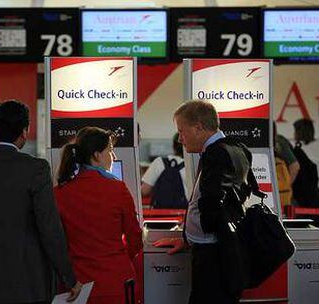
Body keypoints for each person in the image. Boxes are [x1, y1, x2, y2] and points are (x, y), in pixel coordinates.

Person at [0, 100, 81, 304]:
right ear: (25, 131)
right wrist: (69, 278)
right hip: (27, 286)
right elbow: (49, 228)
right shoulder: (36, 169)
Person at [154, 100, 253, 304]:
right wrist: (188, 238)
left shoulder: (216, 154)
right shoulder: (237, 147)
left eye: (182, 131)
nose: (180, 138)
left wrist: (200, 235)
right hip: (223, 249)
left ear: (198, 127)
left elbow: (211, 203)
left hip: (213, 254)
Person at [54, 126, 143, 304]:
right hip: (115, 282)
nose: (114, 157)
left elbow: (55, 241)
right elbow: (135, 239)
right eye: (110, 151)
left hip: (77, 286)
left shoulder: (59, 193)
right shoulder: (118, 189)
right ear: (96, 155)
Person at [141, 133, 189, 208]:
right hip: (184, 212)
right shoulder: (193, 165)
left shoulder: (159, 162)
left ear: (173, 146)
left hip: (160, 213)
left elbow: (144, 191)